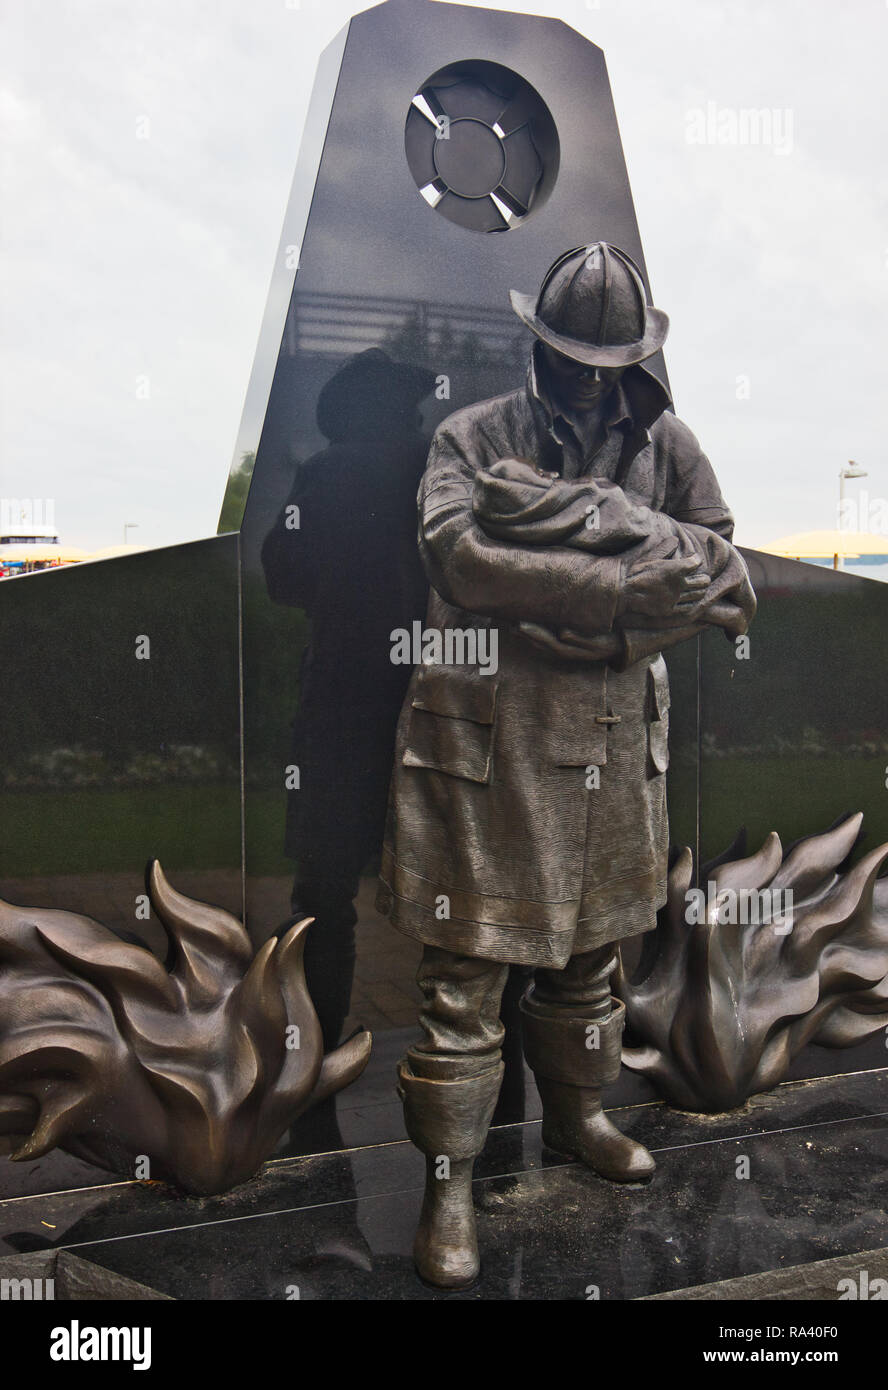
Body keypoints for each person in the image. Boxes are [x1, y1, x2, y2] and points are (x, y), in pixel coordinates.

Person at [376, 243, 756, 1288]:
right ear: (538, 344)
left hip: (610, 740)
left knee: (595, 955)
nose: (592, 374)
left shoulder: (666, 441)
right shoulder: (472, 435)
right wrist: (624, 599)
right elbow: (460, 560)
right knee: (466, 974)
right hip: (487, 753)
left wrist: (612, 540)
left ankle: (581, 1116)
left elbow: (719, 562)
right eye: (573, 354)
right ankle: (449, 1182)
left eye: (609, 356)